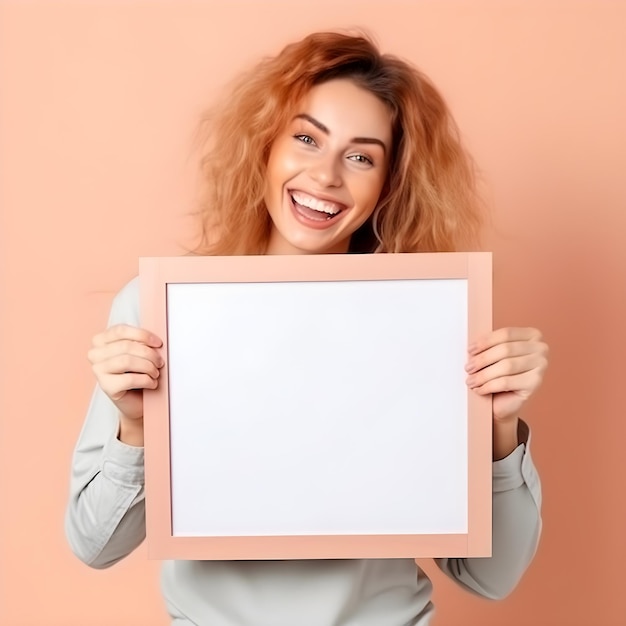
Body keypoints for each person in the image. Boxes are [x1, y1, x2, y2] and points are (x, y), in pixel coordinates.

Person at [65, 31, 548, 625]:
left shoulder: (425, 324)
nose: (325, 176)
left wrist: (499, 427)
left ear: (390, 184)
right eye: (305, 139)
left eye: (361, 156)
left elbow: (491, 579)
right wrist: (136, 427)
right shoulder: (161, 311)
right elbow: (95, 544)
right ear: (265, 146)